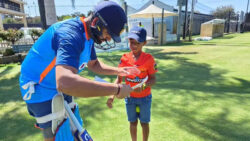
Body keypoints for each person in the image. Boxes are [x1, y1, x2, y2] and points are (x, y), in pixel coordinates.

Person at [19, 1, 138, 141]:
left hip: (57, 86)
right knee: (60, 137)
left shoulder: (88, 35)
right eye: (108, 33)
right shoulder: (70, 35)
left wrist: (119, 71)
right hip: (39, 88)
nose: (108, 38)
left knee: (76, 133)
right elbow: (64, 82)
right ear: (96, 22)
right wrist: (117, 89)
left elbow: (94, 64)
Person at [106, 26, 157, 141]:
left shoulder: (149, 59)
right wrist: (111, 96)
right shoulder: (124, 59)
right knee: (132, 123)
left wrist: (143, 86)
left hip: (145, 98)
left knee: (144, 123)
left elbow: (153, 79)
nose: (133, 46)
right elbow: (118, 79)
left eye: (137, 43)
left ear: (144, 43)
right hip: (129, 98)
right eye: (131, 42)